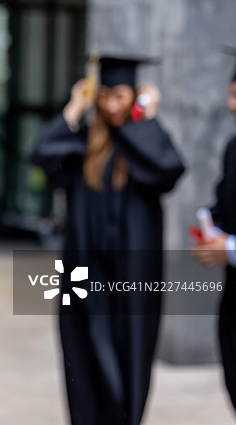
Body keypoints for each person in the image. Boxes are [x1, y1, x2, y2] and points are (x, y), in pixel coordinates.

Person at [30, 56, 185, 425]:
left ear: (133, 95)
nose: (111, 105)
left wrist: (143, 117)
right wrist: (74, 107)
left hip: (133, 283)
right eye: (103, 96)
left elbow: (169, 168)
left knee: (128, 365)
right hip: (84, 278)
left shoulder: (143, 147)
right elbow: (42, 154)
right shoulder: (84, 147)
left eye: (119, 95)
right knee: (83, 365)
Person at [190, 54, 236, 411]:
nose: (230, 104)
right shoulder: (234, 149)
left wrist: (231, 249)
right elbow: (222, 205)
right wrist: (211, 230)